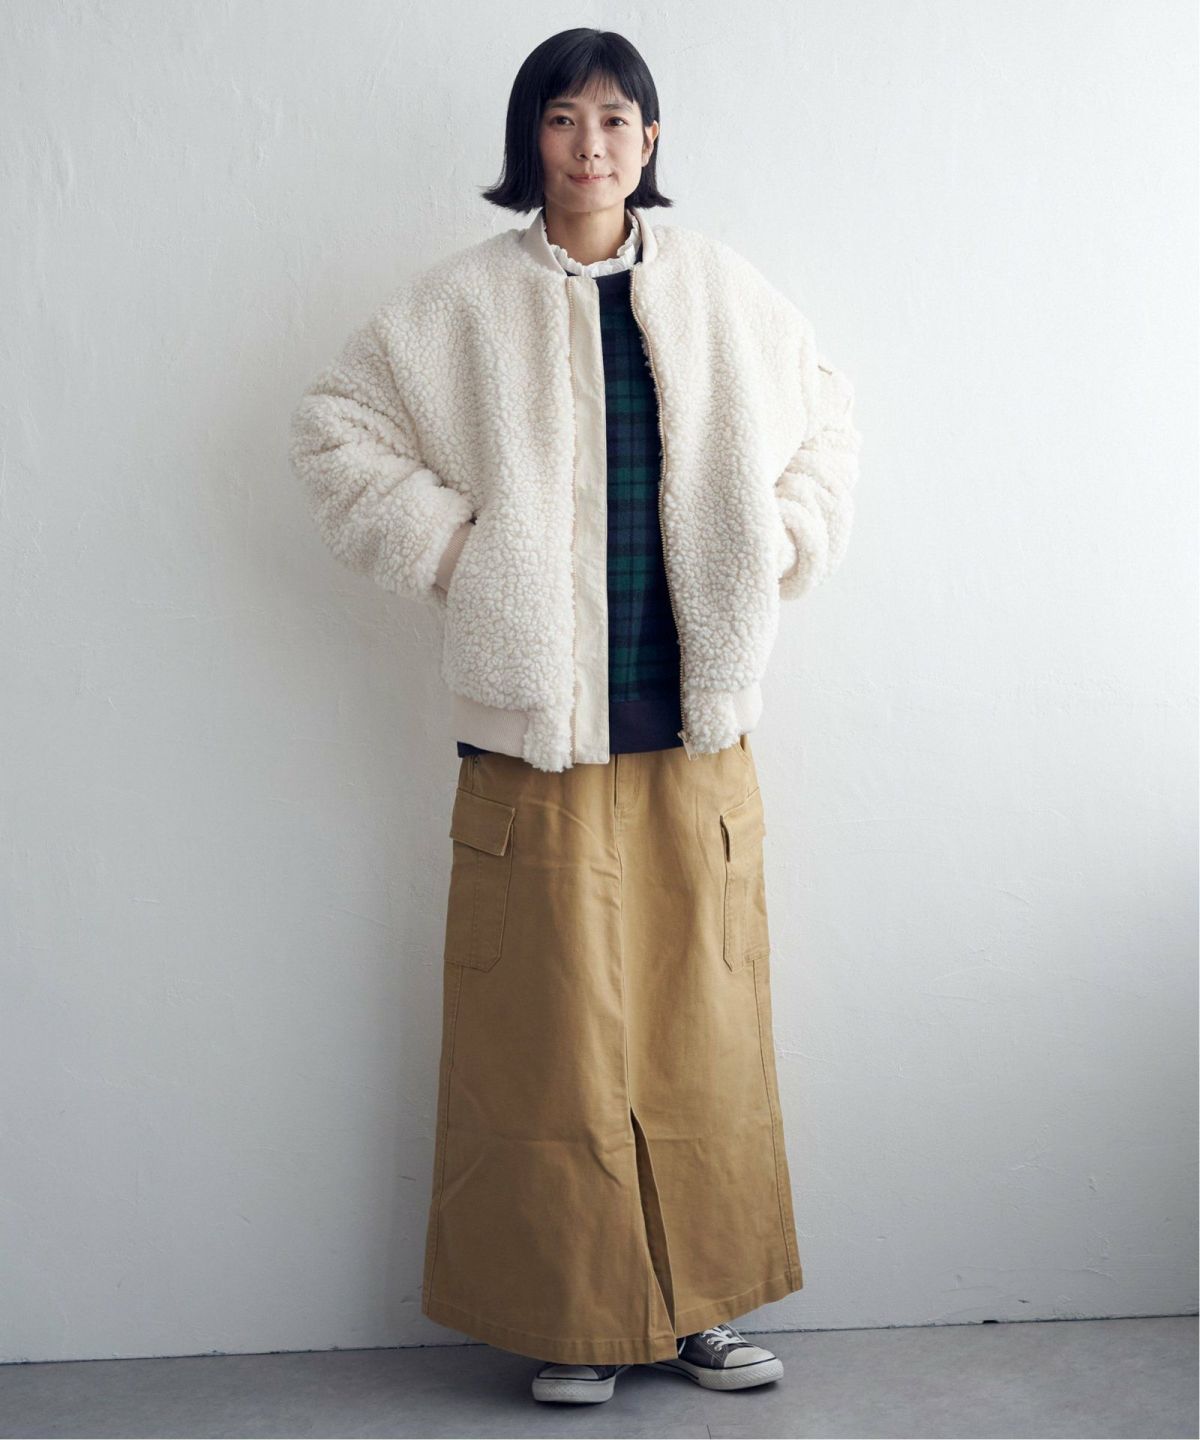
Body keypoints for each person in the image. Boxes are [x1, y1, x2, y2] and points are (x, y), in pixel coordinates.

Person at [290, 27, 861, 1407]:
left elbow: (828, 424)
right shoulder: (462, 304)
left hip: (693, 724)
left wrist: (781, 539)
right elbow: (332, 428)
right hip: (535, 731)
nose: (590, 144)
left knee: (701, 1024)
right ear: (529, 140)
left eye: (614, 118)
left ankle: (700, 1312)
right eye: (562, 118)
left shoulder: (720, 291)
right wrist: (460, 553)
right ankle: (575, 1319)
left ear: (650, 140)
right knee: (548, 1036)